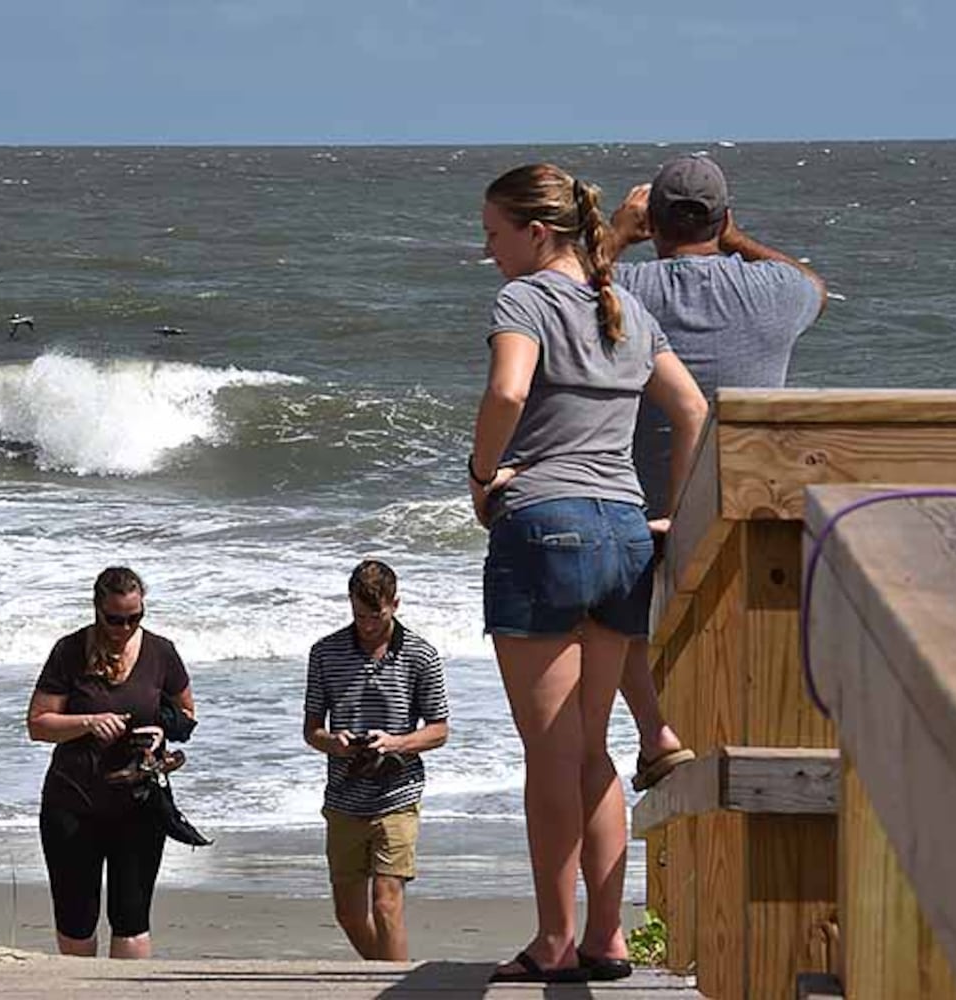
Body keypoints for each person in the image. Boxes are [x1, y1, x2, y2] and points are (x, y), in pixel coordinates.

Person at [471, 163, 707, 983]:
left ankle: (554, 942)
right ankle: (607, 938)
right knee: (594, 749)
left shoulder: (525, 300)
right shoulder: (629, 310)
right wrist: (671, 509)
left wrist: (480, 473)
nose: (489, 250)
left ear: (538, 234)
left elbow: (507, 390)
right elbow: (693, 411)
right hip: (622, 531)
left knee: (550, 754)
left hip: (543, 525)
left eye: (495, 235)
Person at [605, 155, 828, 792]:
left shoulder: (624, 291)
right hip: (751, 515)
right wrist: (735, 240)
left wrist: (619, 232)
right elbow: (810, 280)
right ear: (723, 218)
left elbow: (563, 286)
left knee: (613, 621)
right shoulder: (776, 294)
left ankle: (659, 734)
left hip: (648, 516)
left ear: (655, 222)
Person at [26, 567, 196, 959]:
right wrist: (88, 722)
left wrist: (161, 730)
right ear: (97, 610)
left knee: (132, 918)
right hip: (73, 801)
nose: (124, 627)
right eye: (114, 619)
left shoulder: (161, 652)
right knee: (76, 920)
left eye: (134, 618)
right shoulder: (70, 651)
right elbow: (38, 724)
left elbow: (187, 714)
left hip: (139, 802)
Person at [303, 560, 449, 962]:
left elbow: (439, 730)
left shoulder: (421, 655)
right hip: (344, 796)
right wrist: (337, 742)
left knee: (386, 905)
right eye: (359, 615)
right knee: (349, 914)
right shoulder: (325, 653)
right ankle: (385, 974)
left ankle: (393, 986)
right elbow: (311, 730)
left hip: (398, 795)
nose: (367, 624)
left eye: (376, 615)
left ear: (395, 604)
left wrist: (396, 743)